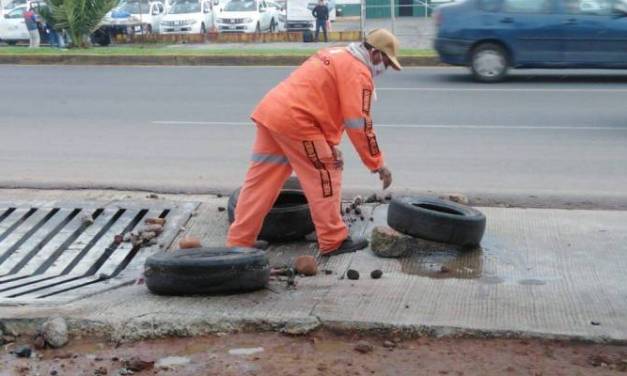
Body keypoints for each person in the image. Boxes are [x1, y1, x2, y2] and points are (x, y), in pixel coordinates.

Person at [226, 28, 401, 257]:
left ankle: (240, 241)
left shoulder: (335, 54)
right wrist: (377, 163)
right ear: (376, 54)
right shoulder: (358, 72)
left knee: (260, 182)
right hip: (297, 121)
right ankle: (333, 240)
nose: (385, 69)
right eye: (387, 63)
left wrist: (328, 143)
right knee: (326, 173)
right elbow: (358, 123)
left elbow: (320, 100)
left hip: (273, 113)